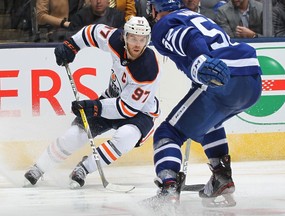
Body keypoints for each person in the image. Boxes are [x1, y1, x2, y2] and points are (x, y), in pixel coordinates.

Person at [24, 16, 161, 188]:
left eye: (142, 40)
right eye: (133, 38)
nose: (137, 44)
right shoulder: (115, 40)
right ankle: (39, 168)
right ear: (124, 36)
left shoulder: (148, 69)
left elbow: (127, 109)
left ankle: (84, 169)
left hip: (140, 113)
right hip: (111, 100)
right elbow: (93, 32)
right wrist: (72, 45)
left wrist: (95, 107)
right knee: (74, 135)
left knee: (126, 137)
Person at [147, 0, 262, 206]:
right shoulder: (198, 16)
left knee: (168, 133)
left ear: (155, 9)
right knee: (210, 122)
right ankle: (221, 176)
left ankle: (169, 187)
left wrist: (201, 61)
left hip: (223, 76)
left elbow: (189, 37)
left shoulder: (164, 25)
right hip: (251, 77)